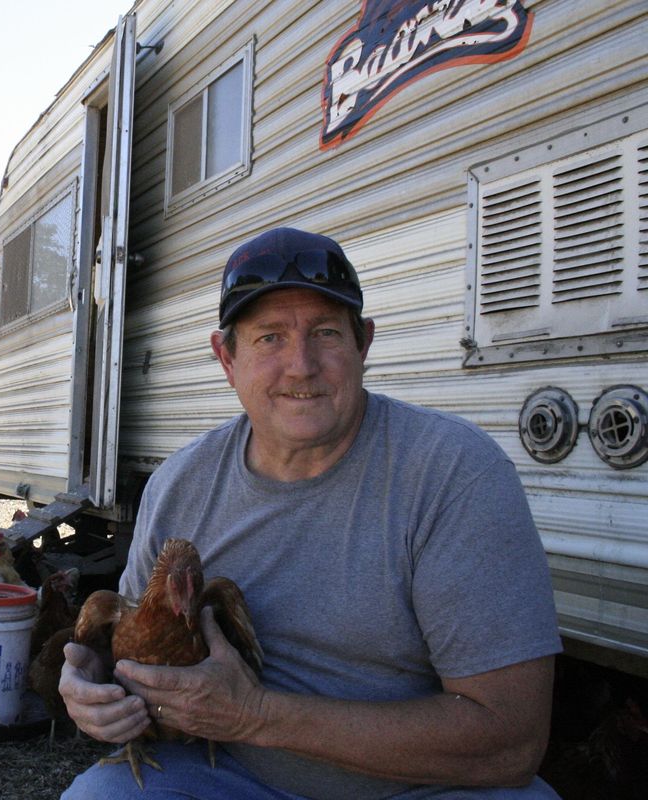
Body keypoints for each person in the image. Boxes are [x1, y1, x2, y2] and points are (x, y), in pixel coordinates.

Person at [59, 227, 563, 799]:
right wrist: (95, 683)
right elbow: (127, 645)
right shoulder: (181, 482)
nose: (301, 366)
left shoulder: (453, 474)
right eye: (269, 338)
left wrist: (255, 716)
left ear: (363, 345)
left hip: (420, 787)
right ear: (226, 358)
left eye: (325, 333)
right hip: (229, 775)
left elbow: (511, 741)